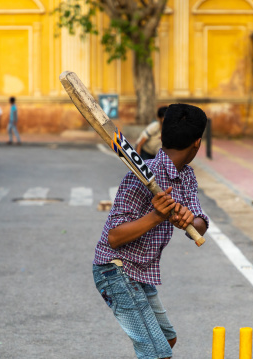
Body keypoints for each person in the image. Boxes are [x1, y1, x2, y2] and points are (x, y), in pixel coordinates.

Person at [92, 104, 209, 359]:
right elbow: (114, 237)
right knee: (158, 353)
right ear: (197, 143)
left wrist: (190, 219)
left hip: (140, 271)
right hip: (115, 268)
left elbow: (200, 224)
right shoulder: (140, 175)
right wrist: (157, 216)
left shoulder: (186, 176)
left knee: (168, 339)